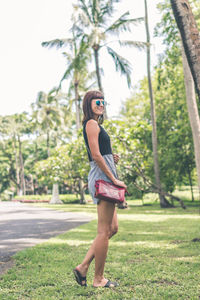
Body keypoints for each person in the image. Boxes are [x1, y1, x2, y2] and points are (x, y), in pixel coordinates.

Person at [73, 90, 127, 288]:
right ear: (89, 104)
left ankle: (83, 266)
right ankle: (98, 279)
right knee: (104, 230)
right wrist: (114, 178)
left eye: (103, 101)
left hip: (104, 174)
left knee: (112, 228)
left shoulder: (95, 125)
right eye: (97, 101)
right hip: (103, 178)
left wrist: (110, 157)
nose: (101, 104)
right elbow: (95, 156)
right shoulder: (91, 123)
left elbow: (99, 153)